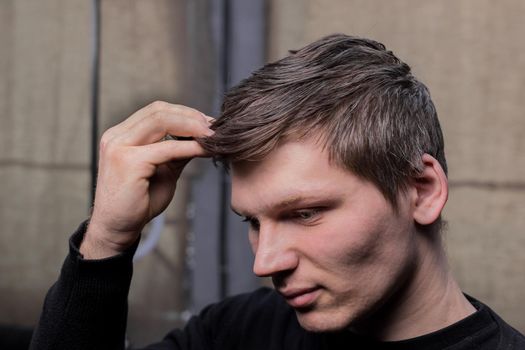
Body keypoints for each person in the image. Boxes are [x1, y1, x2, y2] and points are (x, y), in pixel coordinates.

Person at [30, 34, 525, 349]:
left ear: (421, 191)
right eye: (252, 221)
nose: (264, 264)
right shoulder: (239, 331)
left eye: (305, 213)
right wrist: (106, 243)